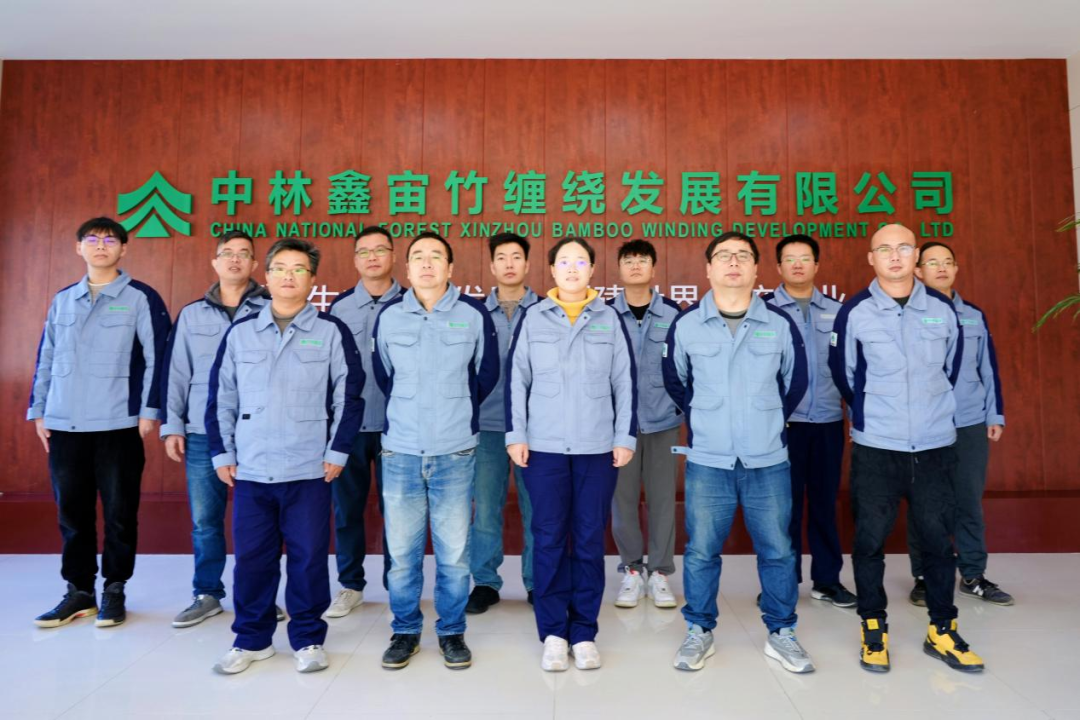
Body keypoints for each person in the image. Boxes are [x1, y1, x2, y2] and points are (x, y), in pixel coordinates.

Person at [829, 223, 985, 673]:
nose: (894, 256)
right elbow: (845, 375)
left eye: (903, 248)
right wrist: (875, 413)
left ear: (916, 256)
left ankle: (943, 629)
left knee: (938, 543)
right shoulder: (854, 311)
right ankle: (873, 628)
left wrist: (927, 410)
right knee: (869, 542)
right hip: (878, 447)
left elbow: (950, 370)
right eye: (885, 249)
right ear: (871, 258)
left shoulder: (941, 308)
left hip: (935, 446)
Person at [206, 238, 364, 675]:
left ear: (312, 280)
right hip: (252, 467)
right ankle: (251, 639)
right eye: (280, 268)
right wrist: (222, 451)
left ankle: (308, 638)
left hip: (309, 467)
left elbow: (349, 395)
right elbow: (222, 396)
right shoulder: (241, 332)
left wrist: (338, 450)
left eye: (298, 269)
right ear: (267, 275)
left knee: (308, 558)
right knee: (252, 559)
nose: (288, 276)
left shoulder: (331, 331)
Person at [663, 231, 814, 674]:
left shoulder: (778, 323)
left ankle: (782, 632)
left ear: (755, 268)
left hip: (767, 459)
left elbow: (795, 382)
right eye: (724, 256)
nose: (733, 263)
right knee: (701, 551)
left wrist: (765, 417)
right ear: (708, 268)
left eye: (743, 256)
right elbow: (676, 381)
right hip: (709, 459)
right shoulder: (687, 325)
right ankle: (699, 630)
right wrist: (709, 416)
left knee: (778, 550)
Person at [29, 217, 170, 630]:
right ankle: (79, 592)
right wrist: (39, 409)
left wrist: (149, 410)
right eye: (92, 239)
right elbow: (46, 356)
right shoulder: (63, 300)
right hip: (64, 422)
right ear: (79, 248)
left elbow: (157, 357)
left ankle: (114, 588)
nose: (101, 246)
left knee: (120, 513)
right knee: (71, 513)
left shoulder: (140, 297)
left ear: (124, 249)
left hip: (117, 423)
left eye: (110, 240)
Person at [506, 237, 636, 672]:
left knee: (588, 540)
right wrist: (516, 435)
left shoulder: (609, 318)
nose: (573, 268)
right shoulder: (534, 317)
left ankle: (583, 632)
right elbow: (517, 379)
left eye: (581, 261)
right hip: (543, 449)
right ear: (552, 270)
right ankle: (553, 633)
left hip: (596, 449)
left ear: (592, 270)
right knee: (547, 539)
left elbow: (624, 381)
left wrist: (625, 437)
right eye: (564, 261)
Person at [372, 232, 499, 671]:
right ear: (406, 269)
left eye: (436, 257)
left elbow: (484, 375)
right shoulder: (390, 317)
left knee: (454, 555)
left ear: (450, 268)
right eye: (418, 258)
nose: (426, 264)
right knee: (402, 556)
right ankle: (405, 631)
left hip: (454, 451)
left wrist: (454, 410)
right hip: (401, 452)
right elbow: (385, 375)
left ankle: (451, 631)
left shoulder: (472, 314)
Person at [160, 230, 275, 628]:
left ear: (255, 264)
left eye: (244, 254)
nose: (235, 260)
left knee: (258, 521)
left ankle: (258, 595)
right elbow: (177, 372)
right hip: (201, 432)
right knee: (206, 520)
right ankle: (207, 593)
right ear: (215, 262)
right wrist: (172, 424)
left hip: (256, 430)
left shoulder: (271, 309)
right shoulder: (192, 314)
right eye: (228, 253)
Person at [908, 241, 1011, 606]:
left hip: (968, 421)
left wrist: (994, 414)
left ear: (955, 268)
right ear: (918, 271)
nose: (941, 268)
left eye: (947, 262)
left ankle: (973, 574)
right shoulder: (908, 313)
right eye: (932, 262)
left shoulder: (973, 315)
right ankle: (924, 576)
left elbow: (988, 368)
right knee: (925, 504)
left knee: (968, 500)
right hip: (924, 424)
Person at [762, 234, 857, 608]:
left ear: (817, 265)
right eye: (790, 258)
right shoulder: (764, 311)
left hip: (828, 422)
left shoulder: (838, 311)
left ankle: (827, 581)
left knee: (824, 504)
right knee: (781, 510)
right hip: (781, 426)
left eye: (805, 258)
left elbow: (850, 368)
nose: (798, 264)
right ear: (778, 267)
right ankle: (781, 583)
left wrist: (855, 417)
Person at [325, 225, 404, 618]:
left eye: (380, 250)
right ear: (355, 259)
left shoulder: (411, 303)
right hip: (350, 427)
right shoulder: (339, 308)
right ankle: (350, 585)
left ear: (393, 256)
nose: (372, 257)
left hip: (399, 426)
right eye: (364, 251)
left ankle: (398, 586)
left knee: (399, 512)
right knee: (347, 510)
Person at [466, 232, 540, 615]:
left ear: (528, 264)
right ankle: (485, 582)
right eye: (501, 257)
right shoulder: (475, 313)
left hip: (538, 427)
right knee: (485, 508)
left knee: (538, 509)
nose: (509, 264)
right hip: (488, 424)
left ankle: (537, 581)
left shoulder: (546, 311)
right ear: (492, 266)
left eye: (516, 257)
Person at [607, 239, 683, 609]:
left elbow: (685, 366)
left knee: (663, 499)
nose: (635, 265)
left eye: (642, 260)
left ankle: (661, 572)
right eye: (629, 260)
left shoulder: (673, 314)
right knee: (622, 501)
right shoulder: (604, 314)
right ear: (619, 269)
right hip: (618, 426)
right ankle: (632, 570)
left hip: (663, 421)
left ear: (653, 268)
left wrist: (679, 407)